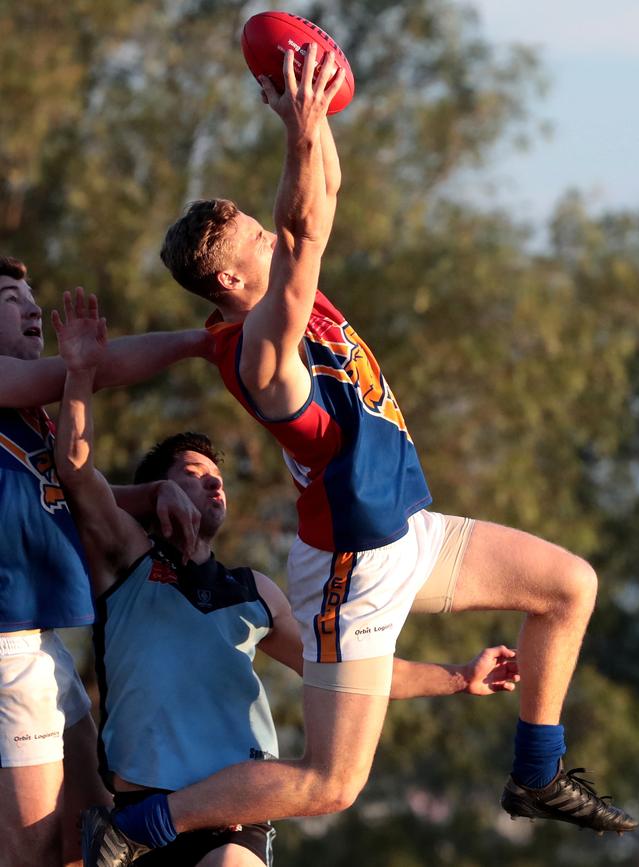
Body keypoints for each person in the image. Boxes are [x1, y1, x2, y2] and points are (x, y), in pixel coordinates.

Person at [86, 43, 637, 866]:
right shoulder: (264, 348)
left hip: (405, 530)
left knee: (568, 585)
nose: (271, 237)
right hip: (353, 564)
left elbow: (319, 200)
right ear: (238, 282)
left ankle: (536, 773)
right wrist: (298, 130)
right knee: (330, 782)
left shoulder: (240, 319)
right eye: (253, 239)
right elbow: (307, 223)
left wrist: (305, 110)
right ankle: (143, 824)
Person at [50, 289, 520, 867]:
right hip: (136, 815)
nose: (213, 484)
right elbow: (75, 472)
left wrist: (457, 676)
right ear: (159, 492)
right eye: (195, 474)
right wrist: (78, 374)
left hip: (233, 814)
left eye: (218, 477)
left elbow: (354, 677)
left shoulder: (254, 592)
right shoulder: (126, 558)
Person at [0, 256, 215, 867]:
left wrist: (148, 495)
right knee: (34, 854)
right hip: (7, 651)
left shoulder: (26, 414)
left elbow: (62, 501)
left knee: (93, 842)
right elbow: (99, 368)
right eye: (12, 296)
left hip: (39, 648)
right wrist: (205, 342)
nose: (33, 308)